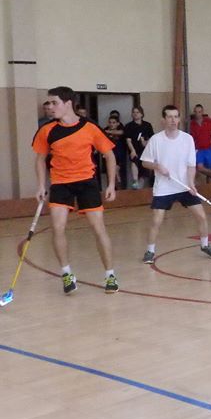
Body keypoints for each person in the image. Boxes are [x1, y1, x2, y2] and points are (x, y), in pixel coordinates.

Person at [32, 86, 119, 294]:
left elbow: (109, 155)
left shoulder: (90, 127)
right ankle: (67, 274)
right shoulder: (47, 130)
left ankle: (110, 275)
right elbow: (40, 159)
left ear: (68, 103)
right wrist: (41, 185)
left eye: (54, 103)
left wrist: (111, 184)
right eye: (49, 103)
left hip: (87, 182)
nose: (50, 107)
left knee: (98, 229)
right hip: (60, 184)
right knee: (58, 228)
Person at [140, 105, 211, 264]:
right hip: (164, 187)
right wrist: (157, 166)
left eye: (176, 117)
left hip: (184, 186)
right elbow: (144, 162)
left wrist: (191, 183)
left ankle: (205, 245)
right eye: (169, 117)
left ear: (179, 119)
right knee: (156, 221)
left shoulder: (187, 139)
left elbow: (191, 165)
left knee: (201, 216)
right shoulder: (156, 140)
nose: (173, 120)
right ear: (163, 120)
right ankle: (150, 251)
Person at [189, 104, 211, 183]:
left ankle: (209, 188)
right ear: (194, 112)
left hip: (209, 149)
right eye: (196, 112)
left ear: (202, 112)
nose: (198, 114)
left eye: (199, 112)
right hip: (198, 150)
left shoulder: (208, 121)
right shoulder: (191, 124)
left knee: (209, 169)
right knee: (199, 168)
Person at [125, 105, 154, 189]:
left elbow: (151, 138)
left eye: (137, 112)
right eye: (134, 112)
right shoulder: (129, 126)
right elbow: (128, 140)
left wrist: (145, 142)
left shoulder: (147, 125)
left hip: (145, 149)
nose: (135, 114)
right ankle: (135, 181)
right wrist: (132, 150)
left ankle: (141, 185)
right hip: (134, 148)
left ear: (141, 114)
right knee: (134, 161)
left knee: (144, 167)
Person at [103, 114, 128, 189]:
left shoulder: (122, 130)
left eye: (113, 122)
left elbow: (122, 132)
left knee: (119, 175)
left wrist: (108, 132)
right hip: (109, 156)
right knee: (111, 175)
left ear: (118, 123)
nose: (111, 124)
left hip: (120, 157)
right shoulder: (105, 130)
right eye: (110, 122)